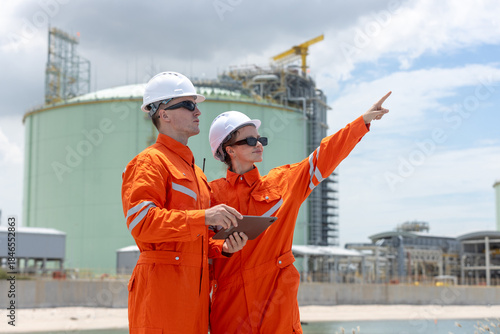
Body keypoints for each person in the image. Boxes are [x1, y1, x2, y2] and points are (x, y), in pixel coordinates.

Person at [207, 92, 392, 333]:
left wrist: (362, 122)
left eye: (260, 138)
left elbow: (325, 155)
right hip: (230, 310)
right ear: (229, 150)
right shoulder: (211, 195)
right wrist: (223, 248)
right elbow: (197, 248)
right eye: (251, 141)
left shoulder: (284, 181)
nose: (259, 144)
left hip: (276, 305)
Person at [121, 71, 248, 334]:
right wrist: (204, 217)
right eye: (189, 105)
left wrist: (223, 248)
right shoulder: (150, 162)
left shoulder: (196, 173)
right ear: (163, 113)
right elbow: (142, 223)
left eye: (196, 105)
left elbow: (195, 242)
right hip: (162, 298)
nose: (197, 111)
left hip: (196, 299)